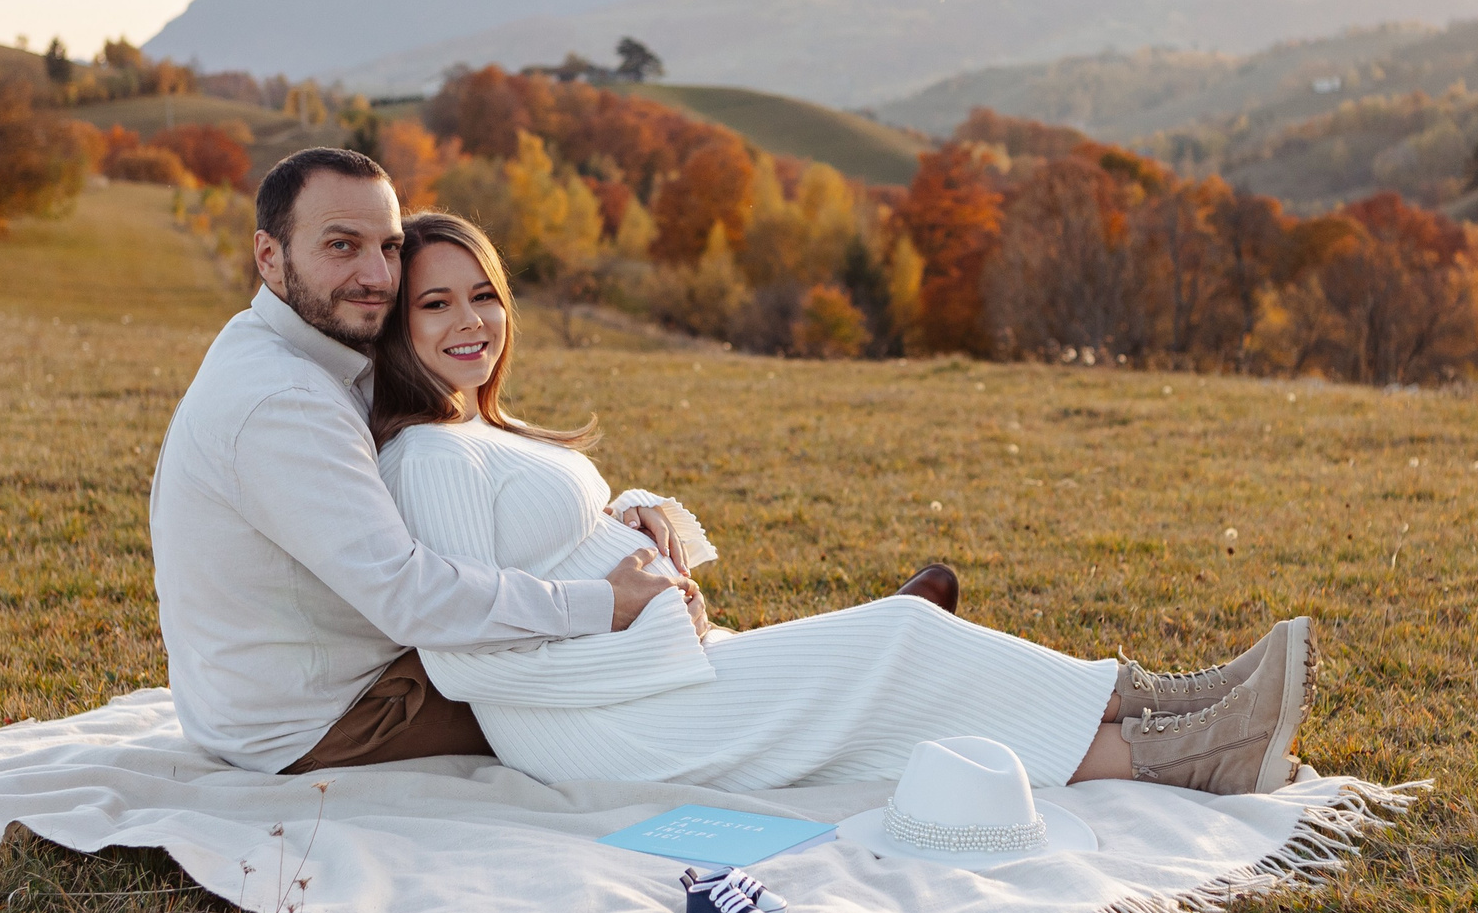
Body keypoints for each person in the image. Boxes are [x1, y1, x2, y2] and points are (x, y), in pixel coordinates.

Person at [370, 212, 1318, 796]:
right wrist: (641, 631)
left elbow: (548, 540)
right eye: (435, 305)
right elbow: (464, 656)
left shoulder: (482, 430)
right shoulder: (427, 454)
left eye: (483, 295)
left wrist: (635, 515)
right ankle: (1181, 730)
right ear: (397, 327)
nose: (471, 321)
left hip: (644, 683)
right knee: (901, 639)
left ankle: (1186, 728)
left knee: (901, 687)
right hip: (600, 724)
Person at [151, 148, 952, 775]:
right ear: (268, 255)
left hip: (339, 670)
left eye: (387, 247)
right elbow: (409, 594)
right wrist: (604, 600)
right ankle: (861, 665)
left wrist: (620, 520)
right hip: (327, 716)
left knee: (606, 636)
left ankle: (852, 654)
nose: (375, 275)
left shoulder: (311, 352)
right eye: (340, 246)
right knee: (605, 680)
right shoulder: (284, 401)